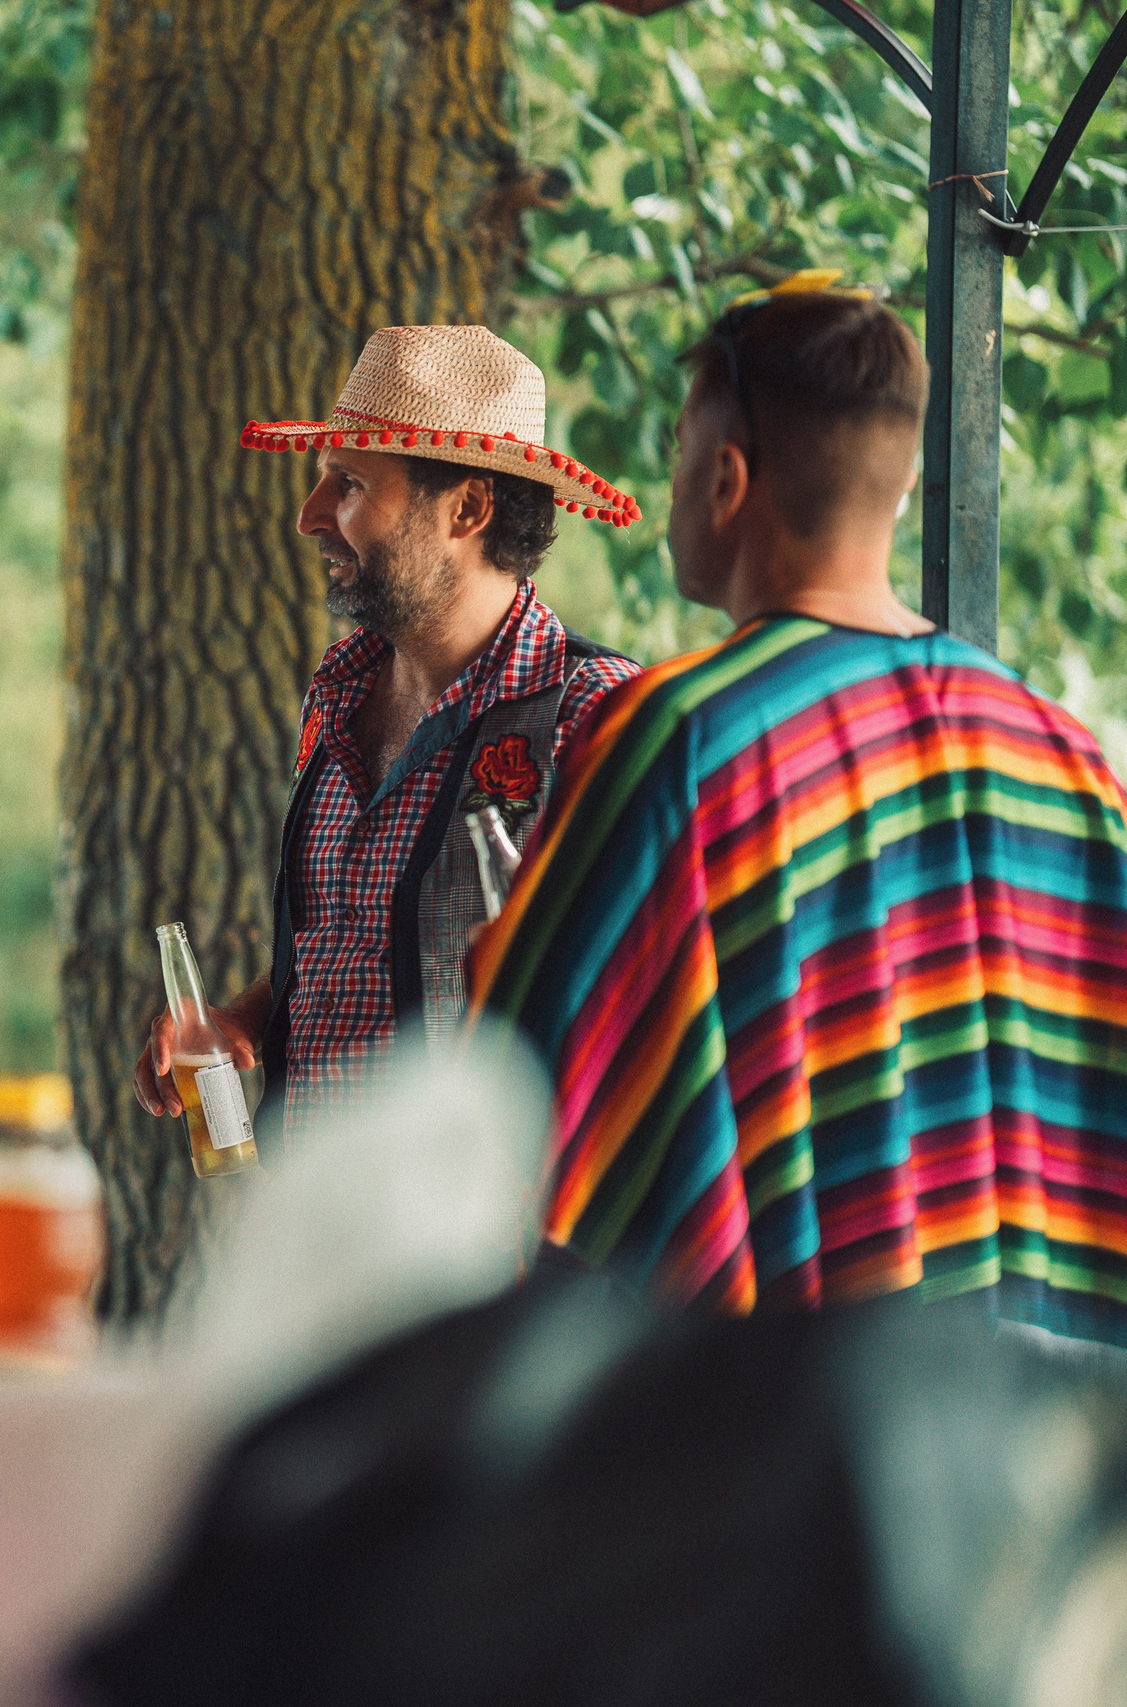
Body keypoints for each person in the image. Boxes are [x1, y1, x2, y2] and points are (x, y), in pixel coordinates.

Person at [472, 276, 1127, 1346]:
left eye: (680, 449)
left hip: (802, 1446)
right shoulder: (1062, 757)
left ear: (726, 479)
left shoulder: (685, 738)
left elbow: (516, 1095)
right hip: (1048, 1450)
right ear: (904, 483)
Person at [133, 326, 642, 1133]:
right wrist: (249, 1020)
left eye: (348, 484)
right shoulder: (337, 695)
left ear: (468, 507)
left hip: (485, 1246)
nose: (308, 517)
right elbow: (355, 935)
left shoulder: (595, 717)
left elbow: (645, 1020)